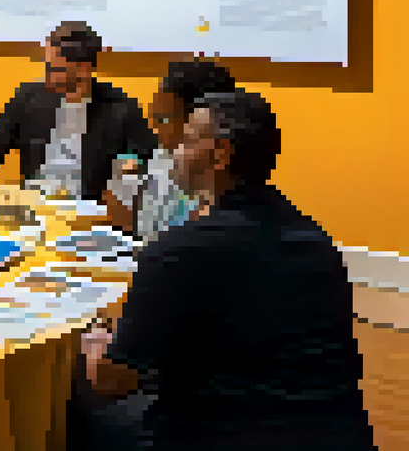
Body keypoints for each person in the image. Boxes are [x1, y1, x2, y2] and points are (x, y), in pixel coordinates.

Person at [80, 90, 375, 451]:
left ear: (220, 154)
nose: (175, 152)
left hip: (220, 435)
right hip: (337, 436)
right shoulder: (317, 242)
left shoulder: (178, 252)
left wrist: (94, 337)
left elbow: (110, 381)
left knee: (77, 409)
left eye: (187, 141)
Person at [0, 21, 155, 203]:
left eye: (53, 70)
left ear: (83, 68)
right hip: (33, 208)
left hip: (88, 215)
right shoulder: (28, 98)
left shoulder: (121, 108)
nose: (46, 77)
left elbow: (150, 163)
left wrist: (129, 171)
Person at [104, 59, 235, 243]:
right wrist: (125, 190)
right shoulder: (163, 155)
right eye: (153, 119)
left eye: (163, 120)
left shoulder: (216, 187)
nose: (154, 130)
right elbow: (133, 226)